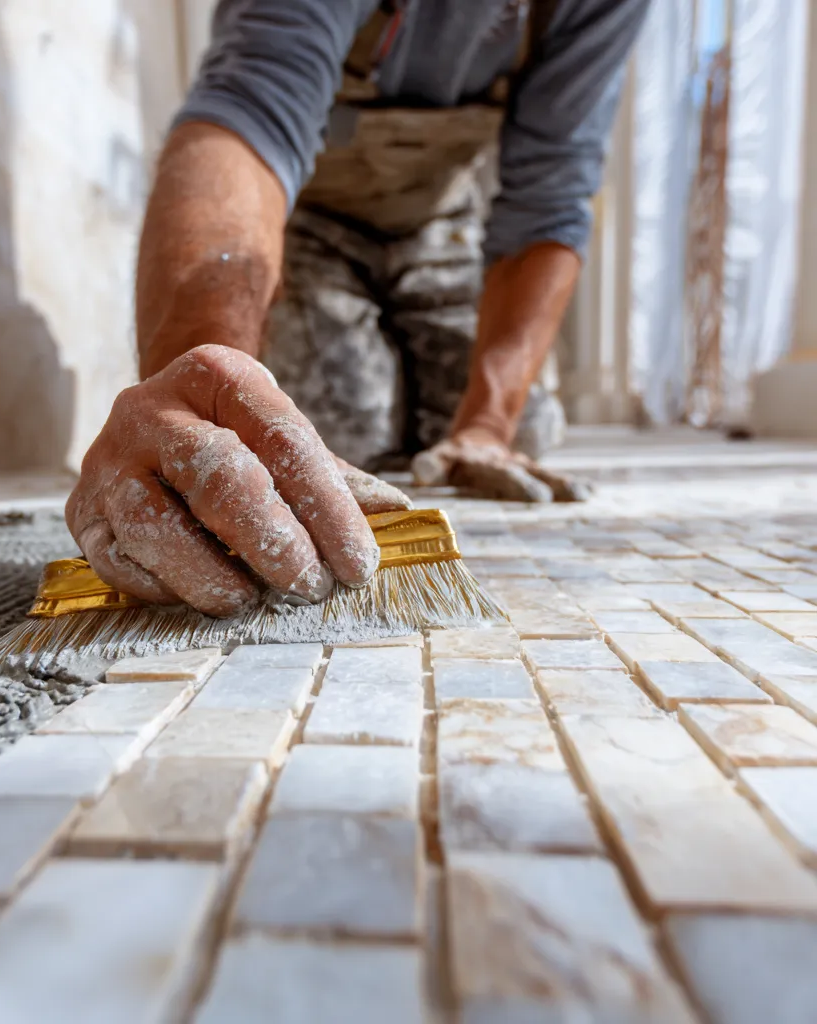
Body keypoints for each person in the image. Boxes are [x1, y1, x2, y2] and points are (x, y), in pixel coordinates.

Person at [66, 0, 651, 616]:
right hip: (305, 229)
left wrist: (484, 429)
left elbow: (550, 198)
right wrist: (199, 392)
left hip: (435, 228)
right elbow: (249, 112)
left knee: (520, 426)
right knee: (327, 433)